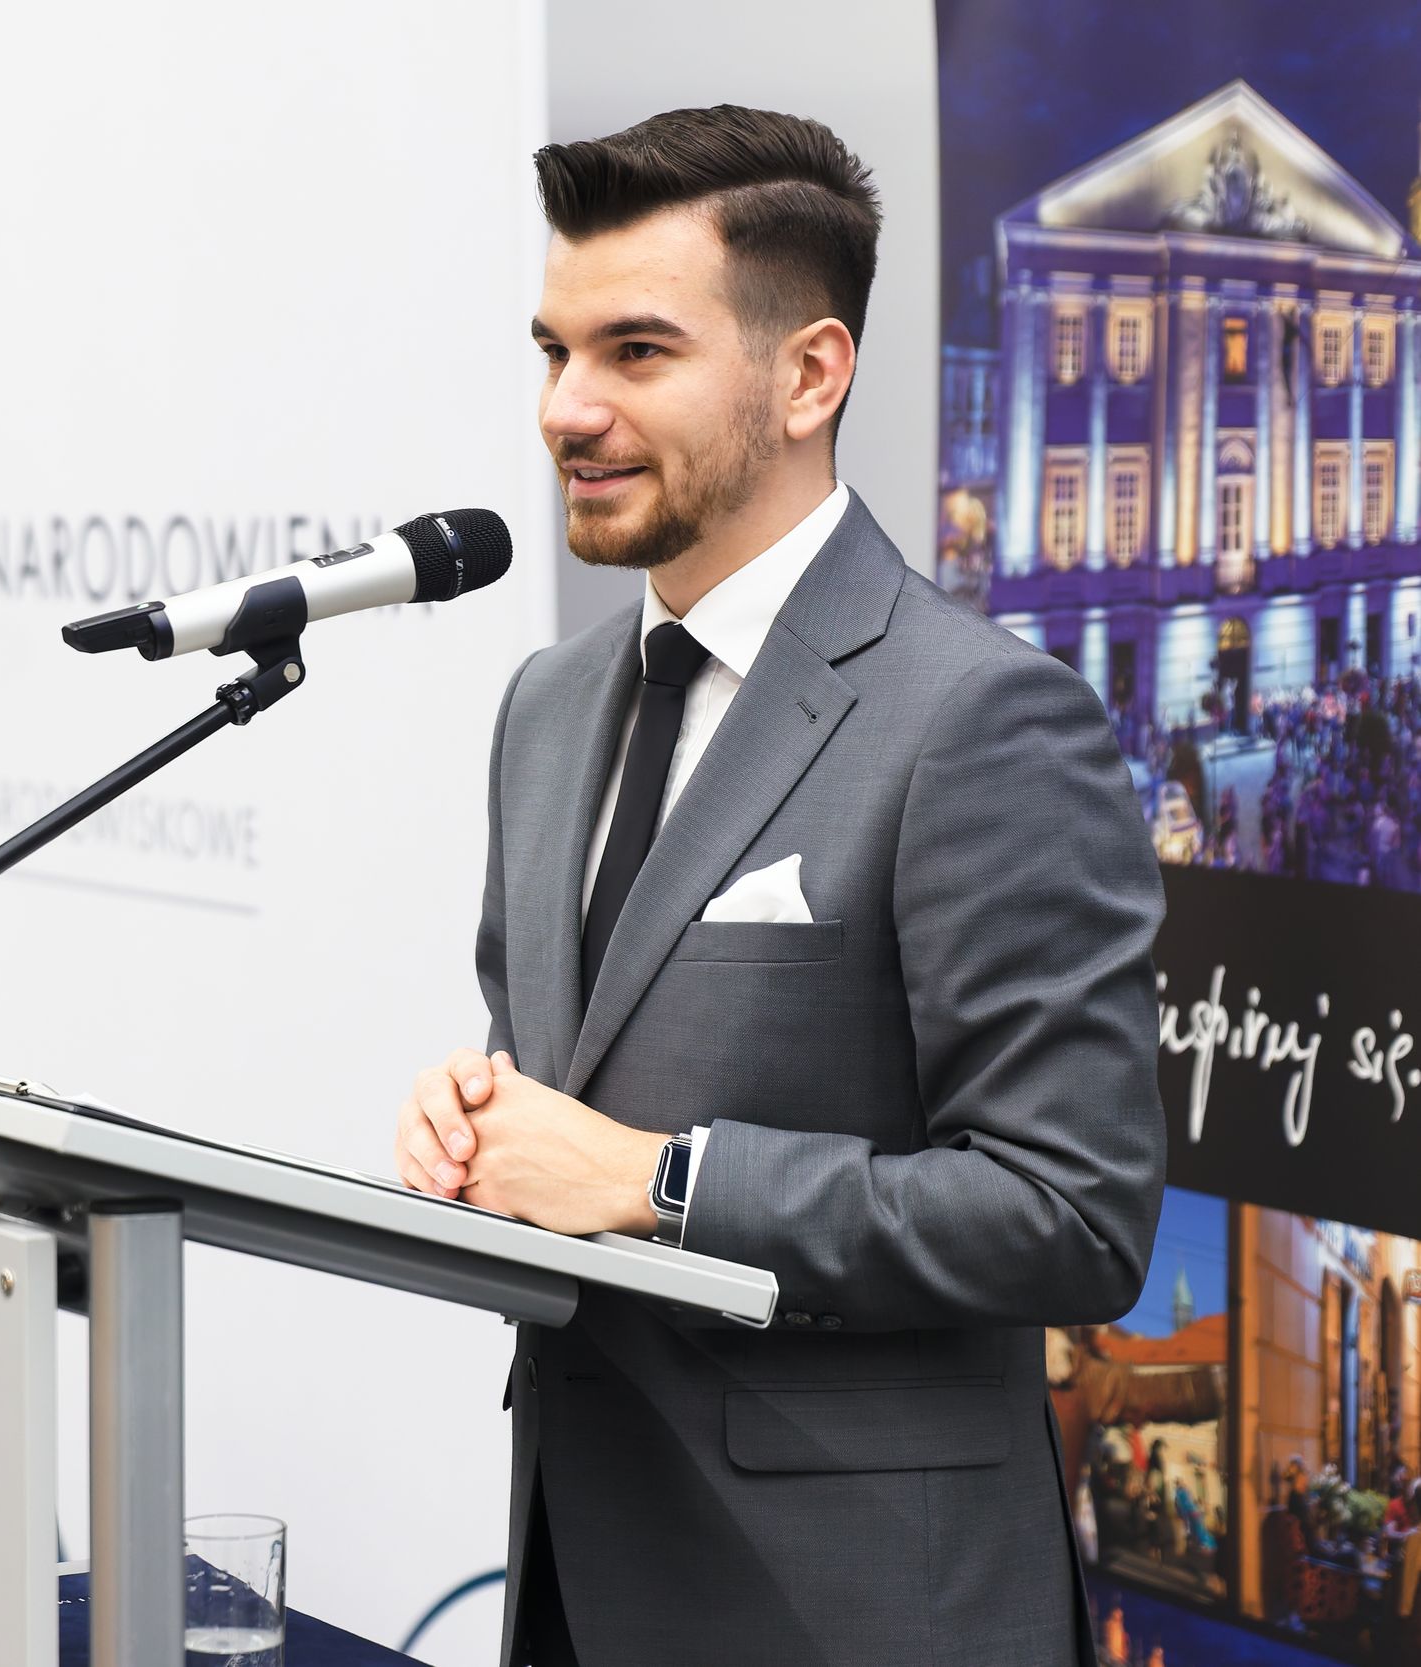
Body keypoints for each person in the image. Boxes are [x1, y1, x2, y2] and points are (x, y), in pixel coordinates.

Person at [392, 105, 1165, 1666]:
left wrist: (661, 1182)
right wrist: (479, 1130)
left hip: (861, 1615)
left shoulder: (982, 719)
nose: (566, 408)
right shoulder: (549, 704)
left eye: (637, 352)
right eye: (554, 351)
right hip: (574, 1579)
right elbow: (573, 1096)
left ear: (810, 376)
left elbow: (1069, 1215)